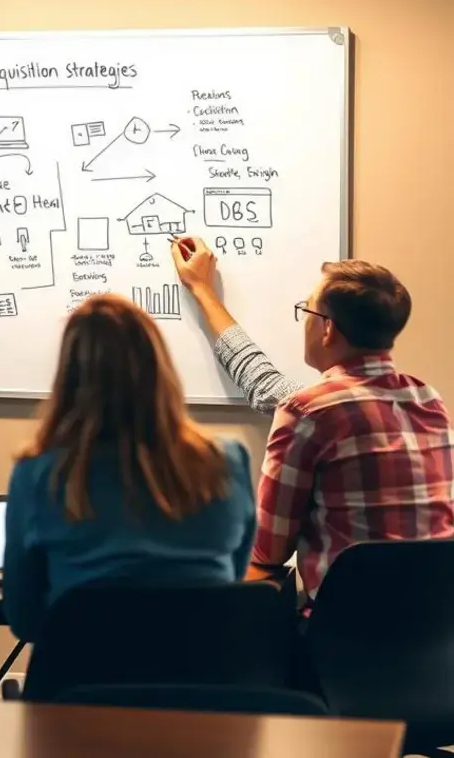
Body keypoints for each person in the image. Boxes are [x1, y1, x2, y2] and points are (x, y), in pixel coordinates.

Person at [175, 240, 454, 605]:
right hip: (433, 636)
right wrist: (203, 291)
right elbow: (265, 383)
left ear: (328, 330)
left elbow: (269, 551)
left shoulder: (309, 412)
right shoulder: (430, 401)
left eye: (305, 309)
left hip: (344, 638)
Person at [3, 294, 255, 644]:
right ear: (159, 366)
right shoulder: (227, 461)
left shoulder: (38, 474)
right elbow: (232, 582)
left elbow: (24, 619)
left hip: (77, 690)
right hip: (205, 688)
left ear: (69, 375)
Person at [170, 236, 300, 413]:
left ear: (328, 329)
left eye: (307, 309)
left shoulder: (318, 405)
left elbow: (267, 390)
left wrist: (201, 288)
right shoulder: (340, 398)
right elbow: (266, 388)